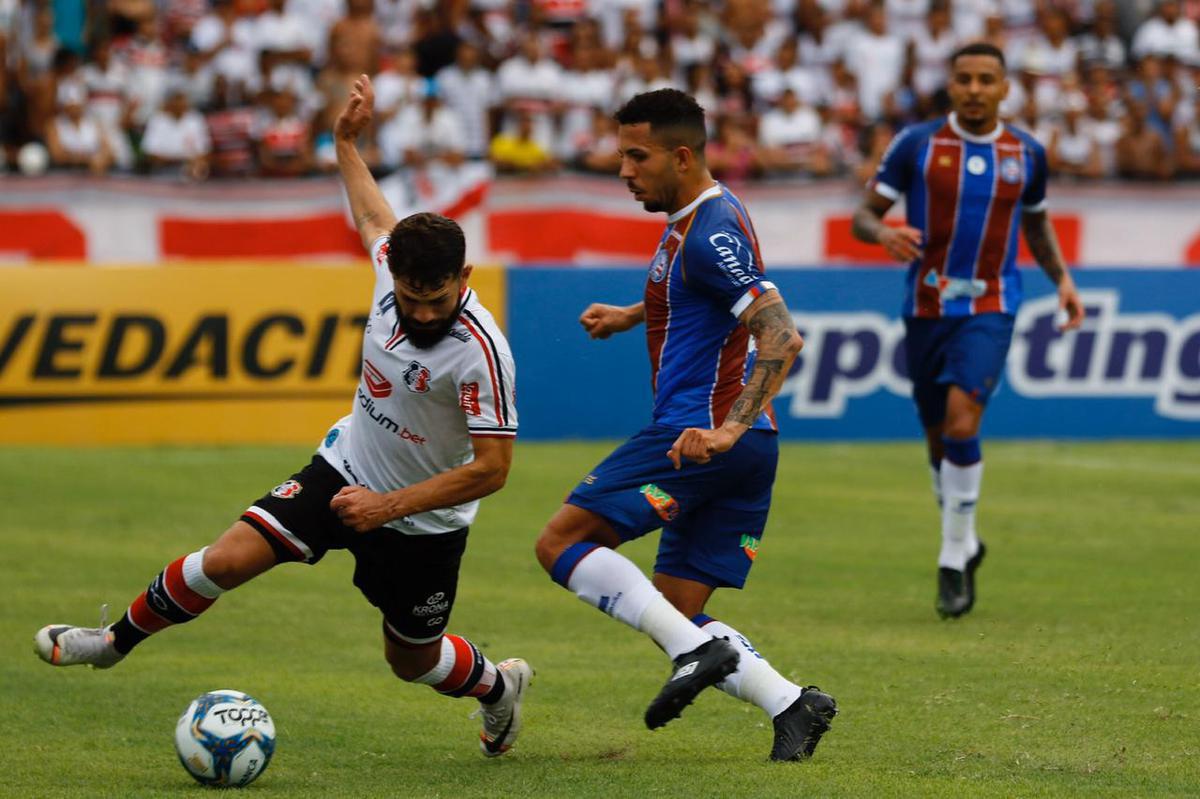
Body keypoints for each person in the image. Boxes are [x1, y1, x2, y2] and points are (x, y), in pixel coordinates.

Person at [34, 73, 532, 760]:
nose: (418, 312)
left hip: (421, 518)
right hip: (345, 466)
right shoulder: (393, 269)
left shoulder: (481, 352)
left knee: (411, 660)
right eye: (410, 297)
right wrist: (344, 141)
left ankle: (498, 687)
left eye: (434, 300)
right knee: (228, 558)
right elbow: (371, 217)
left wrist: (387, 508)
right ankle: (114, 642)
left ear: (465, 277)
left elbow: (494, 469)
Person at [533, 89, 838, 762]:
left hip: (701, 439)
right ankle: (793, 702)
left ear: (680, 154)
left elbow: (781, 336)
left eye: (636, 156)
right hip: (744, 447)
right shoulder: (698, 221)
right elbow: (700, 294)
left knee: (560, 542)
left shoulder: (709, 231)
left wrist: (726, 430)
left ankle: (697, 652)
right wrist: (630, 314)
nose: (623, 170)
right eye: (621, 156)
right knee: (672, 604)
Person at [850, 42, 1085, 619]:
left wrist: (1063, 281)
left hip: (992, 305)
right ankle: (966, 535)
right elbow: (864, 215)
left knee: (962, 422)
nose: (975, 89)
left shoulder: (1026, 152)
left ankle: (953, 557)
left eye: (986, 79)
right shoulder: (917, 145)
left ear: (1006, 88)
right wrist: (882, 234)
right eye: (965, 79)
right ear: (950, 86)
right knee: (938, 440)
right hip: (926, 308)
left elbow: (1035, 223)